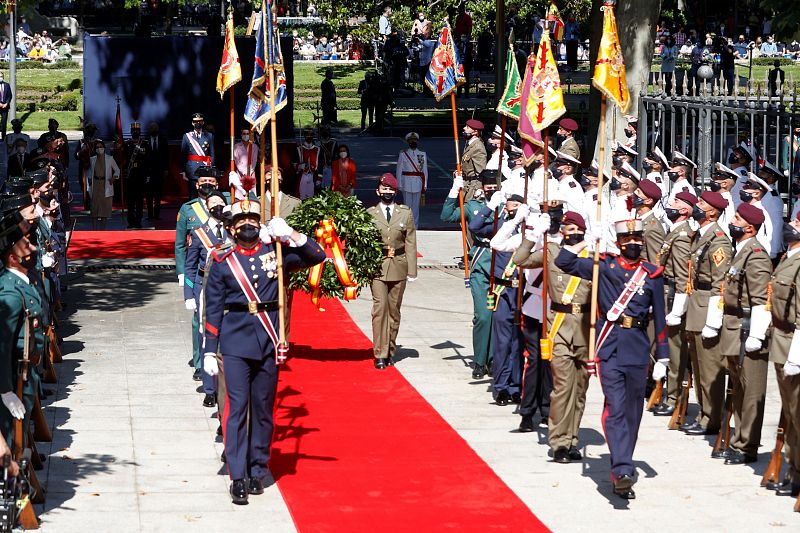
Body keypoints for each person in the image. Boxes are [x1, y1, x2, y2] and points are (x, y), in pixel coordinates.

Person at [203, 198, 325, 504]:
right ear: (231, 228)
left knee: (263, 410)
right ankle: (238, 475)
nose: (248, 226)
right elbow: (214, 309)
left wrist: (292, 235)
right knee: (236, 410)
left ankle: (258, 468)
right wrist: (208, 350)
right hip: (234, 342)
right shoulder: (222, 259)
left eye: (253, 222)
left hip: (268, 343)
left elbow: (317, 256)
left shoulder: (277, 253)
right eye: (241, 222)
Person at [556, 218, 668, 499]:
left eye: (637, 240)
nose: (633, 244)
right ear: (618, 243)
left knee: (633, 413)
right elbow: (564, 262)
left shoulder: (652, 274)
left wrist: (663, 357)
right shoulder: (603, 266)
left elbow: (661, 318)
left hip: (639, 348)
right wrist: (586, 240)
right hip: (610, 347)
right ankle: (622, 470)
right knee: (616, 408)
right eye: (627, 240)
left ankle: (625, 461)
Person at [513, 210, 590, 456]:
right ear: (562, 232)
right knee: (562, 387)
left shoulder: (594, 256)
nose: (574, 234)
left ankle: (573, 439)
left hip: (586, 330)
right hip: (558, 328)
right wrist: (534, 234)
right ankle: (558, 442)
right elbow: (520, 259)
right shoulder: (551, 251)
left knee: (579, 390)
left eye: (578, 230)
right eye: (569, 230)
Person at [706, 203, 771, 465]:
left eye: (736, 218)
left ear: (749, 227)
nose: (731, 220)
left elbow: (759, 300)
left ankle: (747, 445)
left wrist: (756, 335)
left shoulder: (755, 255)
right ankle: (739, 440)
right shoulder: (740, 252)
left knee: (751, 390)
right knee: (739, 389)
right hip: (735, 326)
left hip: (747, 330)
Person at [677, 191, 731, 436]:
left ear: (712, 212)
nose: (696, 206)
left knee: (709, 367)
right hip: (696, 303)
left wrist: (713, 320)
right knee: (698, 366)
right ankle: (703, 412)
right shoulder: (700, 235)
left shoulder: (718, 241)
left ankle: (712, 417)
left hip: (707, 305)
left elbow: (721, 284)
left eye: (700, 204)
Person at [442, 169, 498, 379]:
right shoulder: (474, 206)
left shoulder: (506, 204)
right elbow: (447, 216)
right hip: (481, 261)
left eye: (494, 186)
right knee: (483, 316)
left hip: (502, 263)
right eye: (488, 186)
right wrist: (453, 191)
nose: (491, 189)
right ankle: (480, 361)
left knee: (497, 316)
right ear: (482, 187)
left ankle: (493, 360)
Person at [476, 188, 526, 405]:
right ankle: (501, 387)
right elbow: (474, 227)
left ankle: (516, 386)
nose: (511, 209)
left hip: (522, 293)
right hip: (503, 292)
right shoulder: (500, 226)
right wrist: (489, 207)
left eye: (516, 207)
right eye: (510, 206)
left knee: (518, 341)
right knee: (502, 342)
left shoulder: (530, 232)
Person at [367, 173, 417, 369]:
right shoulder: (370, 213)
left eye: (391, 189)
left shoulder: (405, 213)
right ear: (378, 191)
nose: (387, 192)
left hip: (398, 264)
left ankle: (390, 350)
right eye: (384, 189)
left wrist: (412, 270)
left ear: (396, 192)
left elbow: (411, 242)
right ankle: (379, 353)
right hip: (378, 266)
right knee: (380, 310)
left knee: (394, 311)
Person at [184, 191, 230, 408]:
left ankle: (225, 383)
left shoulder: (232, 231)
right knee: (207, 336)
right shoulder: (199, 233)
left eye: (221, 202)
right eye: (213, 203)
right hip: (205, 288)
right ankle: (210, 389)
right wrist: (189, 294)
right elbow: (191, 266)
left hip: (229, 290)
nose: (217, 206)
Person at [766, 213, 800, 498]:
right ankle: (794, 469)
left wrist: (796, 355)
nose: (791, 225)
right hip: (781, 340)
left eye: (798, 224)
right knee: (789, 411)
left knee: (796, 412)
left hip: (793, 344)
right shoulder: (789, 257)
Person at [653, 192, 696, 419]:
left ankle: (673, 397)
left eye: (676, 202)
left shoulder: (681, 236)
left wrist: (678, 309)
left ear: (685, 210)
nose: (670, 205)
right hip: (666, 291)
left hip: (673, 295)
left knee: (675, 350)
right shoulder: (676, 231)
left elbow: (682, 275)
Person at [175, 167, 220, 380]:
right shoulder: (188, 209)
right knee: (197, 319)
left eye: (211, 181)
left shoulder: (224, 205)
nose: (207, 184)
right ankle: (199, 362)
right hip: (200, 274)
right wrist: (183, 275)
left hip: (221, 275)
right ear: (197, 184)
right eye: (204, 181)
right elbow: (181, 245)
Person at [395, 132, 428, 227]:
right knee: (406, 206)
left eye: (415, 141)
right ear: (408, 142)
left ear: (417, 142)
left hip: (418, 183)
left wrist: (424, 184)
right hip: (406, 183)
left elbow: (425, 170)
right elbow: (399, 170)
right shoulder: (403, 154)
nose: (413, 142)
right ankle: (406, 225)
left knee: (416, 207)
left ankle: (415, 226)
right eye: (411, 141)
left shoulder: (422, 154)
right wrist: (399, 184)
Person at [181, 113, 215, 200]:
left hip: (205, 169)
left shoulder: (209, 136)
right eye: (195, 122)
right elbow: (183, 155)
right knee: (193, 196)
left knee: (206, 194)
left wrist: (212, 169)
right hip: (192, 170)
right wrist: (183, 171)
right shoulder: (187, 136)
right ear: (192, 123)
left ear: (203, 122)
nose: (198, 123)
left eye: (200, 121)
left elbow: (212, 154)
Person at [87, 139, 120, 230]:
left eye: (101, 147)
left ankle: (102, 231)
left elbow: (117, 170)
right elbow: (89, 171)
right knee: (94, 210)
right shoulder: (92, 159)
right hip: (95, 184)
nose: (99, 149)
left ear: (104, 148)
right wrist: (88, 182)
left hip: (106, 184)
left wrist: (114, 177)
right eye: (97, 147)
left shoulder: (110, 159)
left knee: (104, 210)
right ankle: (94, 230)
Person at [122, 122, 149, 229]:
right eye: (134, 131)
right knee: (130, 201)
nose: (135, 132)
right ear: (131, 132)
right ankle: (131, 221)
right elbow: (123, 159)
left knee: (139, 200)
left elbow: (148, 160)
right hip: (130, 175)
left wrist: (147, 174)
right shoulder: (127, 144)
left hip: (140, 175)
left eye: (137, 131)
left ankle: (138, 220)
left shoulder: (145, 144)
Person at [461, 119, 488, 201]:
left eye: (467, 127)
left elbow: (480, 171)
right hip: (466, 184)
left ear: (475, 132)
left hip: (472, 187)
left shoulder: (478, 147)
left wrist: (478, 189)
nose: (464, 128)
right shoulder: (469, 144)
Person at [229, 127, 259, 201]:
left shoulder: (254, 147)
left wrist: (250, 171)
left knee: (251, 195)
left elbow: (254, 160)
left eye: (247, 134)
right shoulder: (236, 146)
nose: (246, 135)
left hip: (251, 173)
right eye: (244, 134)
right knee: (240, 195)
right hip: (240, 174)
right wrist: (243, 172)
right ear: (241, 135)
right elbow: (237, 161)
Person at [296, 128, 319, 200]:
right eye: (307, 135)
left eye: (311, 135)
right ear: (304, 136)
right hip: (302, 175)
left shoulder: (317, 149)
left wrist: (319, 178)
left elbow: (320, 165)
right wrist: (299, 166)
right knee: (302, 196)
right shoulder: (299, 149)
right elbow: (293, 163)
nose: (309, 137)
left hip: (313, 175)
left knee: (312, 197)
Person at [317, 126, 338, 190]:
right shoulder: (317, 143)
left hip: (331, 167)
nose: (325, 133)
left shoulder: (334, 142)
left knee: (330, 186)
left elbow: (336, 156)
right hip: (320, 168)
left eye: (327, 131)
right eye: (323, 131)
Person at [0, 72, 11, 140]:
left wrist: (6, 103)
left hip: (5, 107)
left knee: (4, 123)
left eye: (1, 76)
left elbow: (9, 95)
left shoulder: (7, 85)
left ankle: (3, 137)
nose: (0, 77)